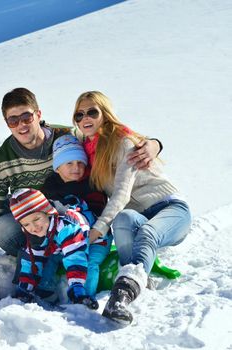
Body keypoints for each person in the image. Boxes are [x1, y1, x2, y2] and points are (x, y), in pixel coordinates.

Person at [0, 87, 161, 299]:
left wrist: (153, 144)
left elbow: (104, 133)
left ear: (38, 114)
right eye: (13, 120)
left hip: (57, 216)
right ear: (7, 124)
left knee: (6, 227)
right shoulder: (1, 160)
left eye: (26, 117)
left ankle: (27, 281)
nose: (21, 125)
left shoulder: (67, 136)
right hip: (23, 207)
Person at [71, 91, 191, 324]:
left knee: (146, 232)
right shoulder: (88, 147)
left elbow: (121, 194)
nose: (85, 118)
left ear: (104, 114)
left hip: (170, 208)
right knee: (123, 219)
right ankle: (135, 278)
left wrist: (99, 228)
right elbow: (60, 132)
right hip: (137, 215)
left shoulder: (123, 141)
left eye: (92, 112)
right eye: (79, 114)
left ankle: (122, 295)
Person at [41, 134, 112, 300]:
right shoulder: (50, 186)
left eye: (81, 163)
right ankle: (45, 289)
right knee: (50, 256)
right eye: (69, 163)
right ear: (58, 167)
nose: (76, 167)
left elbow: (100, 213)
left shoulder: (91, 184)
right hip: (64, 238)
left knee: (90, 262)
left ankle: (86, 296)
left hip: (95, 237)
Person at [9, 188, 97, 309]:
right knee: (46, 259)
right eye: (26, 224)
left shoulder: (66, 227)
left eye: (36, 219)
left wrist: (76, 287)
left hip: (92, 239)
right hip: (59, 245)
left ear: (47, 212)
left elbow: (75, 256)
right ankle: (46, 291)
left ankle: (83, 295)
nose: (33, 227)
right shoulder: (34, 233)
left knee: (90, 262)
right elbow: (31, 261)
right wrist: (25, 288)